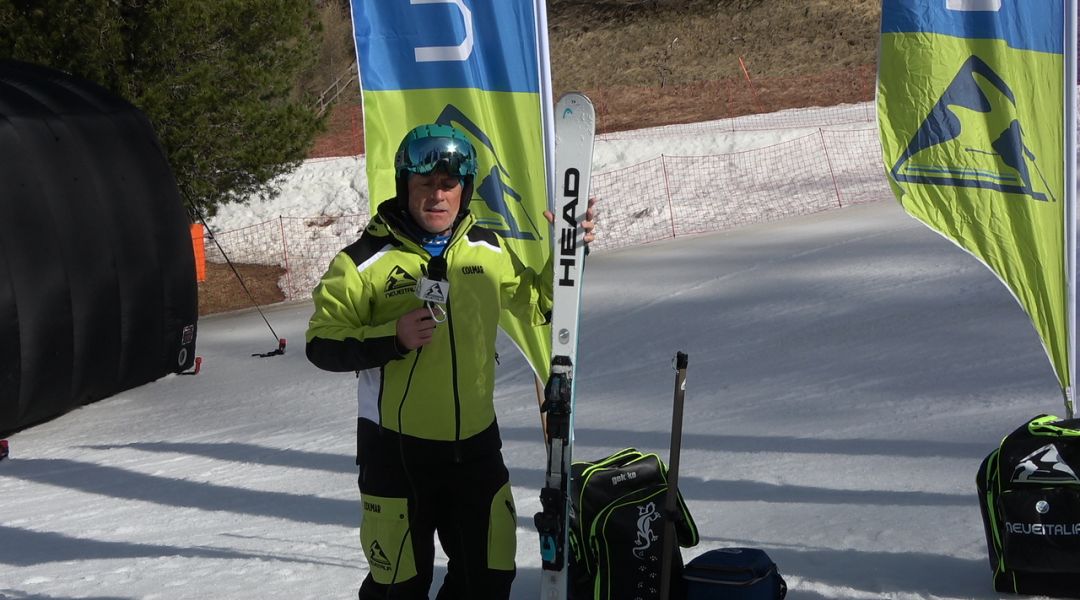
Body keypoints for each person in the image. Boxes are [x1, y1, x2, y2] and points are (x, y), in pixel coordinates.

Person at [305, 123, 596, 599]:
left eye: (448, 185)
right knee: (398, 588)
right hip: (396, 454)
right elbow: (322, 344)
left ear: (464, 190)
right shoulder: (362, 262)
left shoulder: (488, 247)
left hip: (476, 449)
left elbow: (541, 305)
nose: (437, 197)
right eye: (425, 185)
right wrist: (391, 337)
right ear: (406, 186)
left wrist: (568, 252)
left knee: (488, 579)